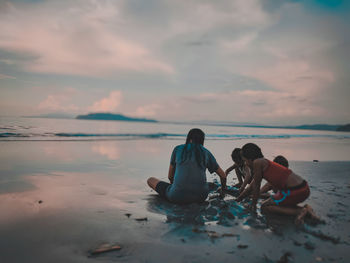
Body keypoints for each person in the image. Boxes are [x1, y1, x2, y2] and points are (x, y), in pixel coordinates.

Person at [237, 143, 319, 224]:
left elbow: (256, 187)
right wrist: (239, 199)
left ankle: (299, 211)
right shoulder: (263, 162)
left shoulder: (257, 163)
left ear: (250, 158)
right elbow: (251, 186)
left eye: (245, 160)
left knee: (264, 207)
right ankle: (305, 208)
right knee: (272, 202)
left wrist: (253, 205)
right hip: (303, 187)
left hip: (294, 190)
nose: (245, 164)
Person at [147, 128, 227, 204]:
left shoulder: (178, 149)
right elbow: (223, 176)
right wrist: (223, 190)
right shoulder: (206, 152)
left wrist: (175, 186)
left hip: (176, 196)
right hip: (201, 197)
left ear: (189, 138)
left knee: (150, 180)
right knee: (207, 184)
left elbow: (170, 176)